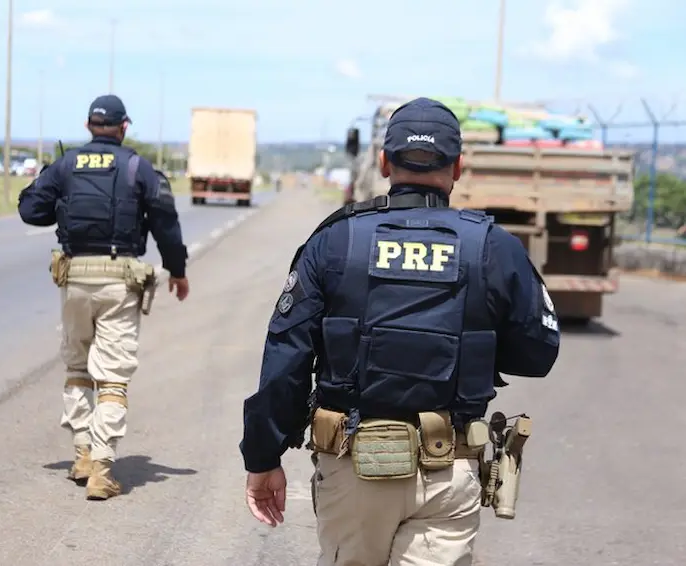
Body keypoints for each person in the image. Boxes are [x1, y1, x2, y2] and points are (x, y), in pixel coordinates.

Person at [239, 97, 560, 565]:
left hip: (352, 470)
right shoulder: (493, 246)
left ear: (385, 162)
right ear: (458, 167)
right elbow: (539, 353)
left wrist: (263, 457)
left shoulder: (335, 240)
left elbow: (286, 359)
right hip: (449, 471)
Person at [19, 94, 190, 501]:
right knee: (112, 374)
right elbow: (166, 222)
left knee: (77, 364)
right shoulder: (137, 167)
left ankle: (80, 453)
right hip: (119, 281)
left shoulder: (67, 165)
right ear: (124, 127)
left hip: (74, 278)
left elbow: (30, 210)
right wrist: (178, 271)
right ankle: (102, 468)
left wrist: (53, 180)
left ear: (88, 125)